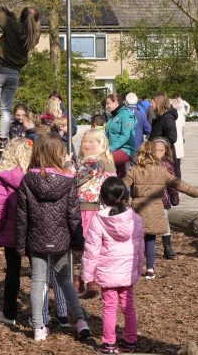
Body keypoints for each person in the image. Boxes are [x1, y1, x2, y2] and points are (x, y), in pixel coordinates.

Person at [16, 132, 91, 342]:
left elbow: (22, 216)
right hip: (61, 239)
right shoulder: (68, 181)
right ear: (58, 154)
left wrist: (21, 245)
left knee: (38, 281)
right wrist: (78, 243)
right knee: (65, 280)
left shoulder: (27, 180)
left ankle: (39, 326)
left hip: (36, 238)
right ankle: (80, 320)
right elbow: (73, 215)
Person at [82, 177, 145, 355]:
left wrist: (87, 275)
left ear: (102, 197)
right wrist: (139, 268)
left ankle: (109, 344)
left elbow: (91, 251)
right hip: (126, 272)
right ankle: (130, 342)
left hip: (108, 273)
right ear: (124, 195)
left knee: (109, 308)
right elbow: (139, 248)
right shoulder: (135, 219)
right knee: (128, 307)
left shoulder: (98, 220)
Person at [123, 141, 198, 279]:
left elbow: (123, 184)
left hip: (138, 209)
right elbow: (178, 183)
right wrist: (196, 192)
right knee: (151, 240)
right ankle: (150, 269)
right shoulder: (161, 170)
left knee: (137, 239)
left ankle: (135, 267)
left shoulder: (134, 170)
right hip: (155, 208)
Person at [0, 0, 41, 145]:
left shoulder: (11, 26)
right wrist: (13, 15)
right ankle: (2, 137)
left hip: (0, 69)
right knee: (6, 108)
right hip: (14, 73)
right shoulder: (34, 36)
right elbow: (25, 24)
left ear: (21, 17)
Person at [0, 138, 33, 325]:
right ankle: (38, 315)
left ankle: (10, 312)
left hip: (11, 231)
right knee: (38, 274)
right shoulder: (35, 176)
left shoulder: (1, 177)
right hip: (33, 230)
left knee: (12, 272)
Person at [74, 128, 117, 298]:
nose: (87, 144)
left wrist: (67, 168)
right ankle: (90, 282)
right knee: (92, 247)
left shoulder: (92, 161)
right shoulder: (104, 161)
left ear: (101, 144)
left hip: (87, 207)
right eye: (85, 141)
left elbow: (76, 180)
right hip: (96, 207)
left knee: (85, 245)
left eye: (92, 142)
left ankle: (85, 282)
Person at [151, 138, 179, 259]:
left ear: (166, 151)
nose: (158, 152)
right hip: (147, 201)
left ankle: (167, 248)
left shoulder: (167, 165)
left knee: (165, 222)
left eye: (161, 150)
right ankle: (146, 249)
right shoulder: (144, 164)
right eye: (155, 150)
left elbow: (172, 185)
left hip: (163, 200)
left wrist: (174, 199)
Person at [149, 92, 181, 178]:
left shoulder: (168, 118)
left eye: (152, 102)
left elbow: (172, 137)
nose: (150, 105)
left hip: (165, 157)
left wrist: (157, 142)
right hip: (158, 155)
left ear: (158, 103)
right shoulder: (159, 116)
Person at [104, 93, 136, 178]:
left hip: (125, 149)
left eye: (108, 103)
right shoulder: (113, 116)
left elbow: (125, 135)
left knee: (103, 160)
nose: (106, 106)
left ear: (116, 103)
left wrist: (110, 149)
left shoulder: (126, 114)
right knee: (119, 178)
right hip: (113, 149)